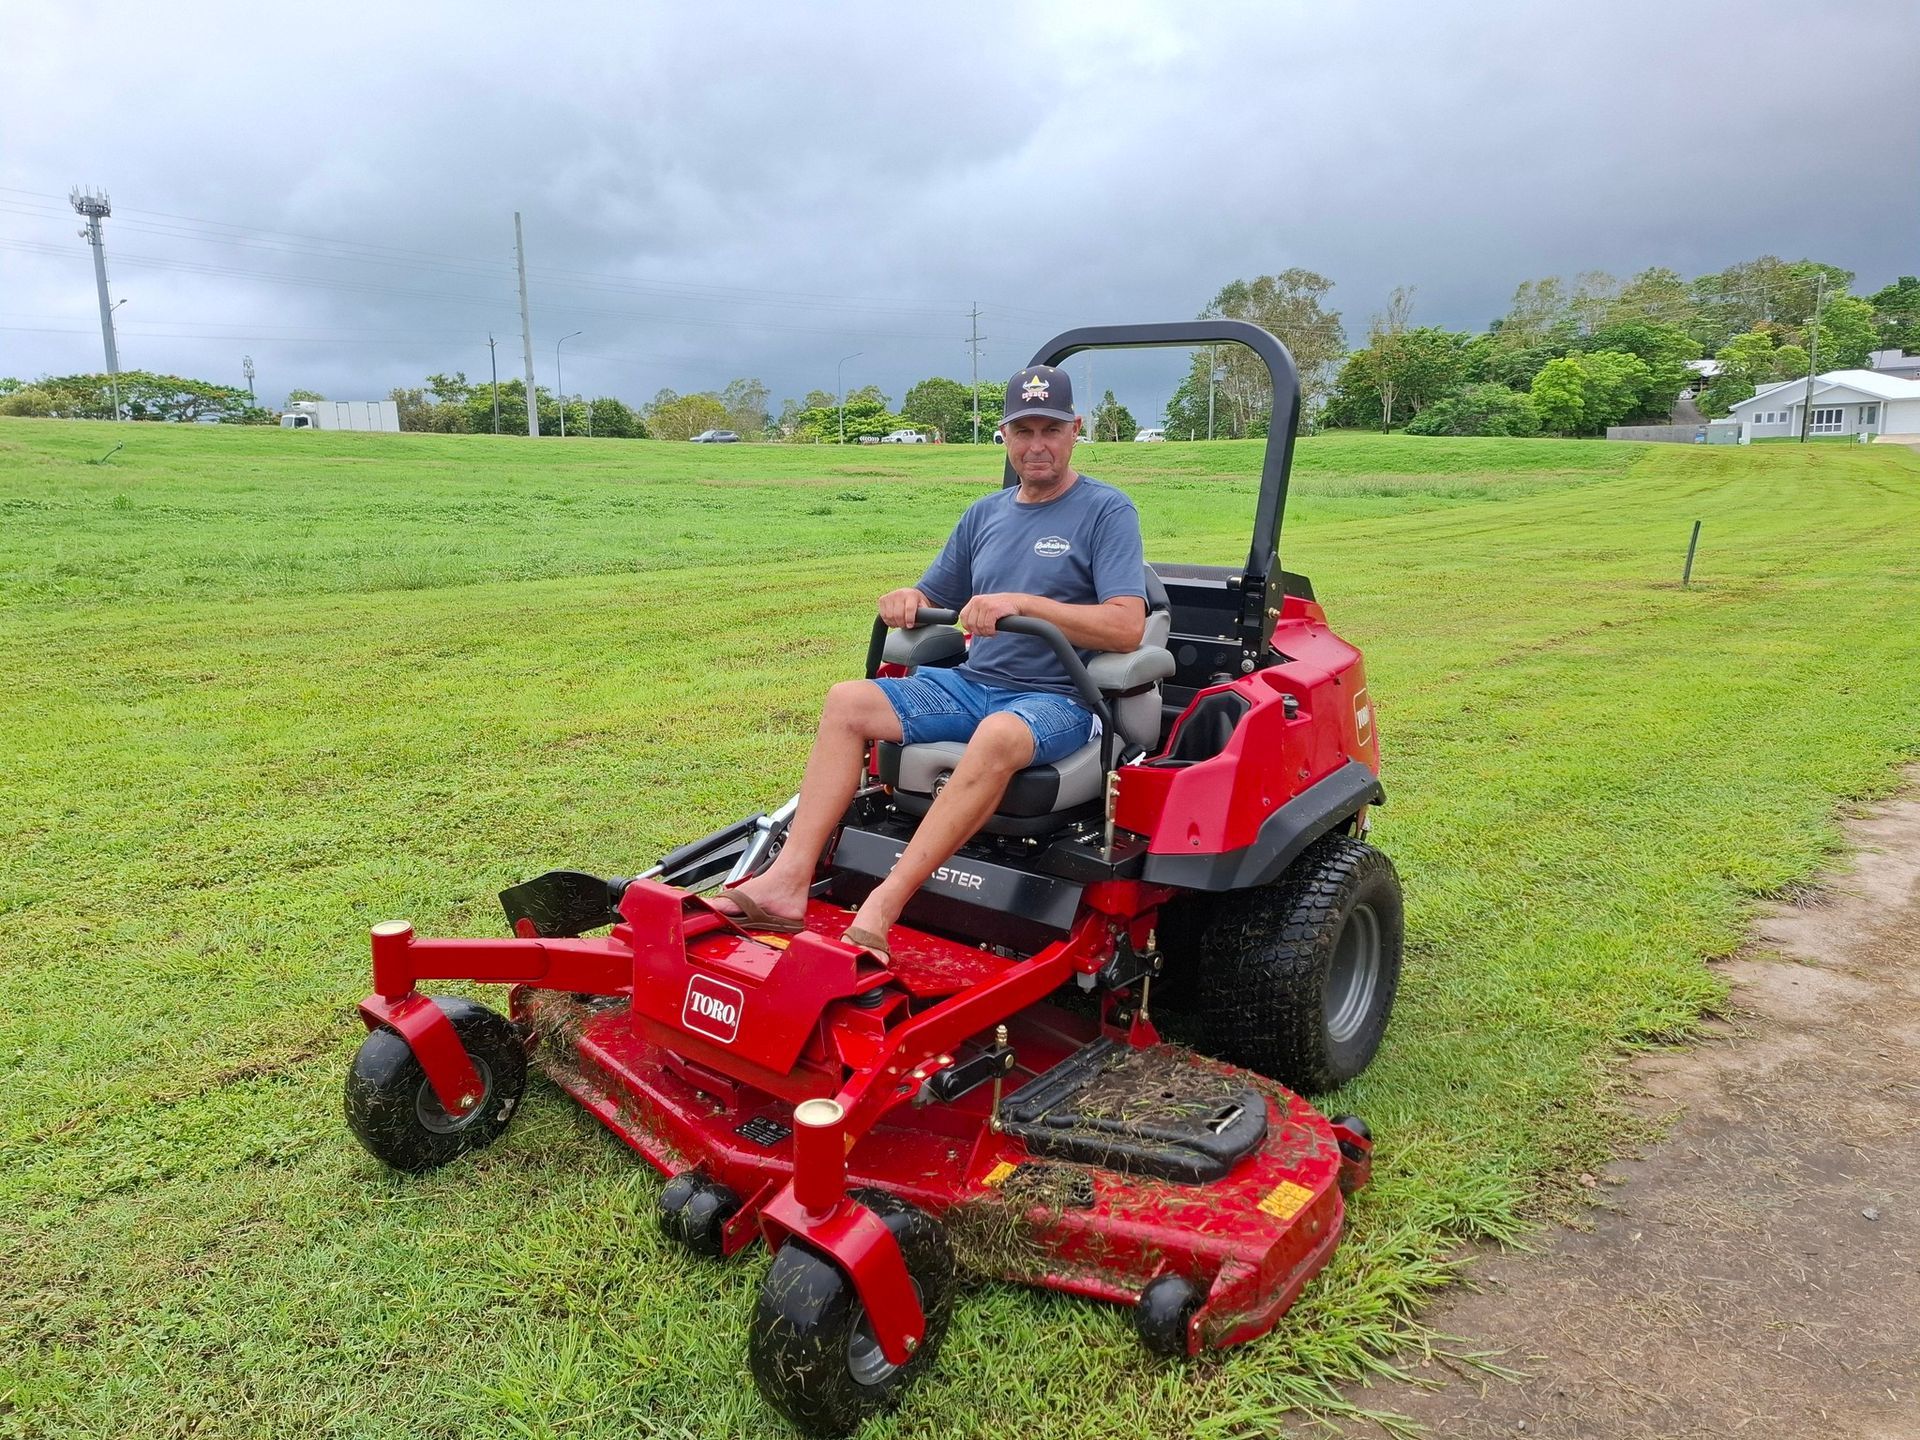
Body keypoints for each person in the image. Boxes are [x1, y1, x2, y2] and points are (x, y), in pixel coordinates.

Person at [713, 363, 1147, 956]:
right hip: (973, 683)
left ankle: (884, 904)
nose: (1037, 445)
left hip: (1058, 699)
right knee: (847, 701)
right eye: (1024, 432)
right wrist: (908, 599)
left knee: (997, 734)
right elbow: (933, 597)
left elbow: (1127, 626)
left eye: (1051, 430)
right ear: (1006, 436)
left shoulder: (1107, 511)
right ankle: (787, 882)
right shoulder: (985, 515)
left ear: (1076, 430)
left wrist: (1022, 602)